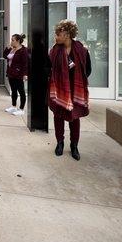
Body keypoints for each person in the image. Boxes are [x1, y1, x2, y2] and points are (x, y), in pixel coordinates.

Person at [48, 20, 91, 161]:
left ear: (66, 35)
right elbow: (49, 69)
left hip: (75, 90)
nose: (56, 37)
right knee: (58, 116)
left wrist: (75, 82)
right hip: (60, 90)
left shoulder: (82, 50)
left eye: (58, 34)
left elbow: (87, 70)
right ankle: (59, 143)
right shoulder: (54, 51)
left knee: (74, 117)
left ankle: (74, 146)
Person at [3, 34, 29, 116]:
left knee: (21, 92)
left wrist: (25, 74)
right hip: (11, 73)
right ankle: (13, 106)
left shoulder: (23, 50)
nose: (11, 41)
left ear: (18, 41)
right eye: (11, 39)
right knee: (13, 90)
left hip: (19, 74)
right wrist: (7, 48)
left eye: (13, 40)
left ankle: (21, 109)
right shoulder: (12, 49)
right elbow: (5, 56)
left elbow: (25, 64)